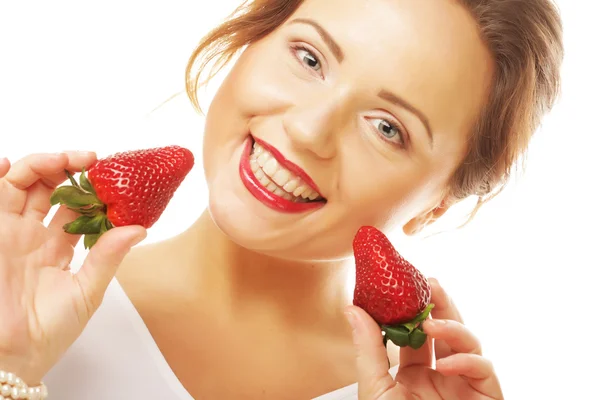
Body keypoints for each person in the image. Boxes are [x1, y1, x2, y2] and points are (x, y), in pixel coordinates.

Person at [0, 0, 563, 398]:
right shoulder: (27, 310)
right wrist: (11, 364)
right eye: (310, 59)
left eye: (388, 127)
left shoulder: (410, 396)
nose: (309, 131)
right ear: (253, 34)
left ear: (438, 204)